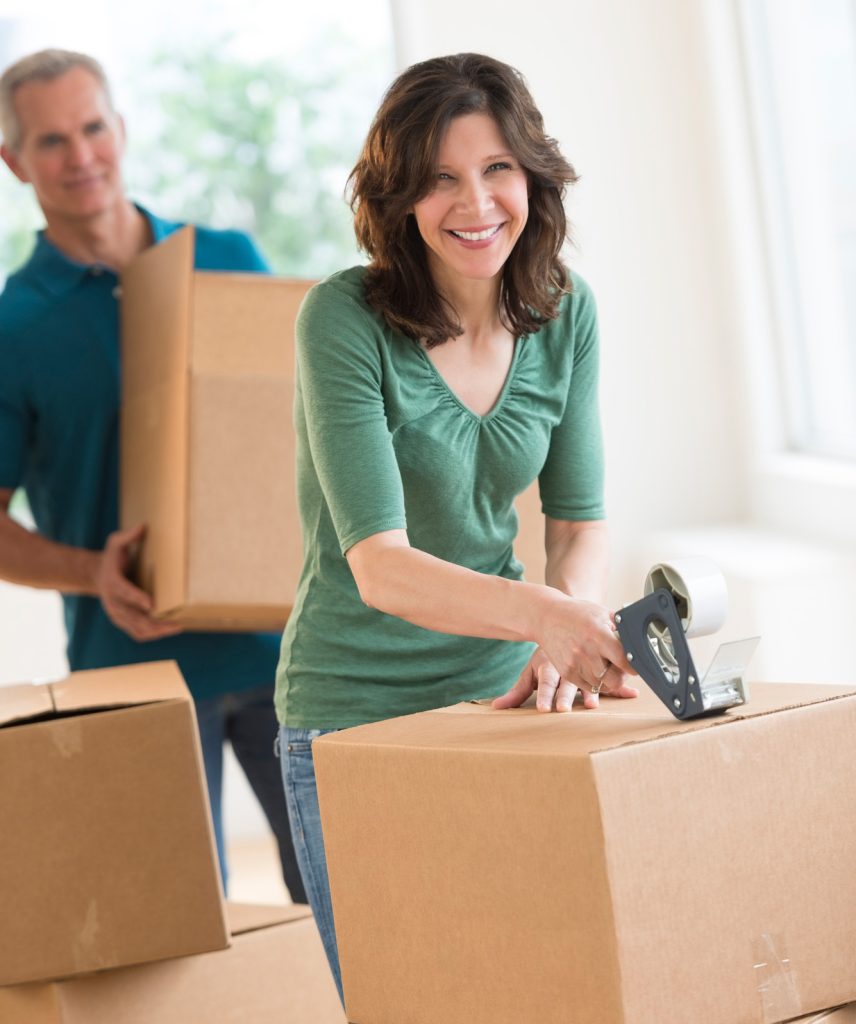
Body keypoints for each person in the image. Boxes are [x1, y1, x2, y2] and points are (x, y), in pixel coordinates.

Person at [276, 51, 639, 1001]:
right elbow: (381, 568)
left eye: (495, 170)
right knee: (406, 1000)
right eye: (439, 178)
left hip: (502, 707)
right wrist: (546, 616)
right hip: (352, 718)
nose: (473, 203)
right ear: (398, 195)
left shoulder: (566, 312)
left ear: (531, 177)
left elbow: (579, 521)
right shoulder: (343, 320)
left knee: (534, 994)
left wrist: (570, 631)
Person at [0, 48, 306, 903]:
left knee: (344, 901)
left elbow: (298, 433)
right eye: (51, 140)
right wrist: (90, 571)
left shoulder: (230, 257)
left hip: (285, 649)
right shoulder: (13, 328)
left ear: (121, 128)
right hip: (132, 670)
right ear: (14, 160)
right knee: (171, 927)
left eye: (93, 128)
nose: (81, 156)